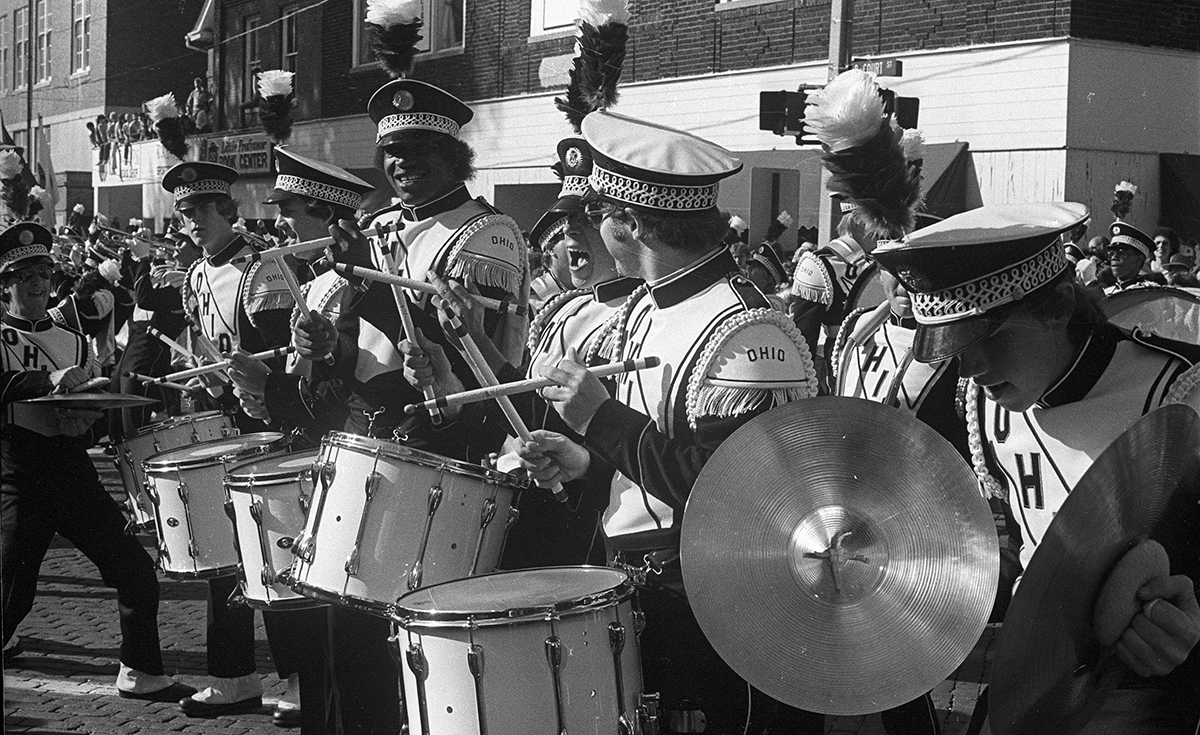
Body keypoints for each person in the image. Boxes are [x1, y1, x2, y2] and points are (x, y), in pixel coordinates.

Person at [514, 110, 820, 734]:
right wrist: (584, 463)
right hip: (639, 591)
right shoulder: (645, 308)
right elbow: (653, 455)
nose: (594, 229)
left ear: (629, 223)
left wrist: (600, 420)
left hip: (714, 609)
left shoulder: (748, 329)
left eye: (600, 212)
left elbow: (725, 492)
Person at [872, 201, 1200, 734]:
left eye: (990, 335)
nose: (971, 368)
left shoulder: (1183, 391)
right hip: (1029, 688)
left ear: (1059, 305)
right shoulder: (977, 401)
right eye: (956, 345)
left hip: (1146, 701)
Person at [284, 78, 526, 734]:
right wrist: (326, 344)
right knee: (342, 628)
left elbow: (472, 357)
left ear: (454, 157)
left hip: (437, 449)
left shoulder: (487, 233)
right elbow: (364, 354)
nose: (399, 162)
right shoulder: (382, 227)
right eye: (391, 150)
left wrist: (365, 279)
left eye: (417, 149)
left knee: (404, 646)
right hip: (365, 438)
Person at [0, 222, 196, 702]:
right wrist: (48, 383)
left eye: (43, 271)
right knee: (11, 591)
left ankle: (141, 670)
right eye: (24, 273)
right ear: (5, 282)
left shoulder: (73, 336)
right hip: (20, 473)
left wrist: (85, 416)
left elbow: (89, 402)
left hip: (71, 468)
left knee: (133, 570)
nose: (37, 282)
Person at [226, 147, 378, 733]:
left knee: (342, 654)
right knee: (322, 648)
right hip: (321, 463)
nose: (281, 221)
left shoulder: (352, 290)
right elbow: (308, 391)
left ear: (325, 214)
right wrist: (263, 393)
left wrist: (277, 392)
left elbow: (346, 403)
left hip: (350, 466)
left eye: (290, 208)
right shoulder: (317, 288)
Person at [162, 160, 304, 719]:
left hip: (266, 422)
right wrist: (203, 373)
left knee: (274, 547)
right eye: (184, 212)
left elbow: (281, 354)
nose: (191, 221)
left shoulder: (262, 266)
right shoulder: (196, 273)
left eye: (199, 210)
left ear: (227, 209)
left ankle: (297, 674)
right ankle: (233, 674)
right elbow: (209, 346)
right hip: (226, 421)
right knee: (224, 551)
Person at [1105, 221, 1167, 293]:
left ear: (1139, 258)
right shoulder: (1107, 292)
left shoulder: (1149, 292)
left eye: (1121, 253)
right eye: (1111, 253)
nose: (1114, 257)